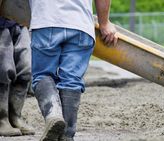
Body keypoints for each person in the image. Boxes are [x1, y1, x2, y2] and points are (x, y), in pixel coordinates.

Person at [29, 0, 118, 140]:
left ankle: (53, 114)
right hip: (81, 24)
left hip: (46, 21)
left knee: (42, 75)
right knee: (72, 81)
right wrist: (104, 23)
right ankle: (67, 135)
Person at [0, 17, 35, 136]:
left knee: (26, 69)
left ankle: (15, 116)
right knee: (4, 69)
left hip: (20, 21)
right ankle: (2, 118)